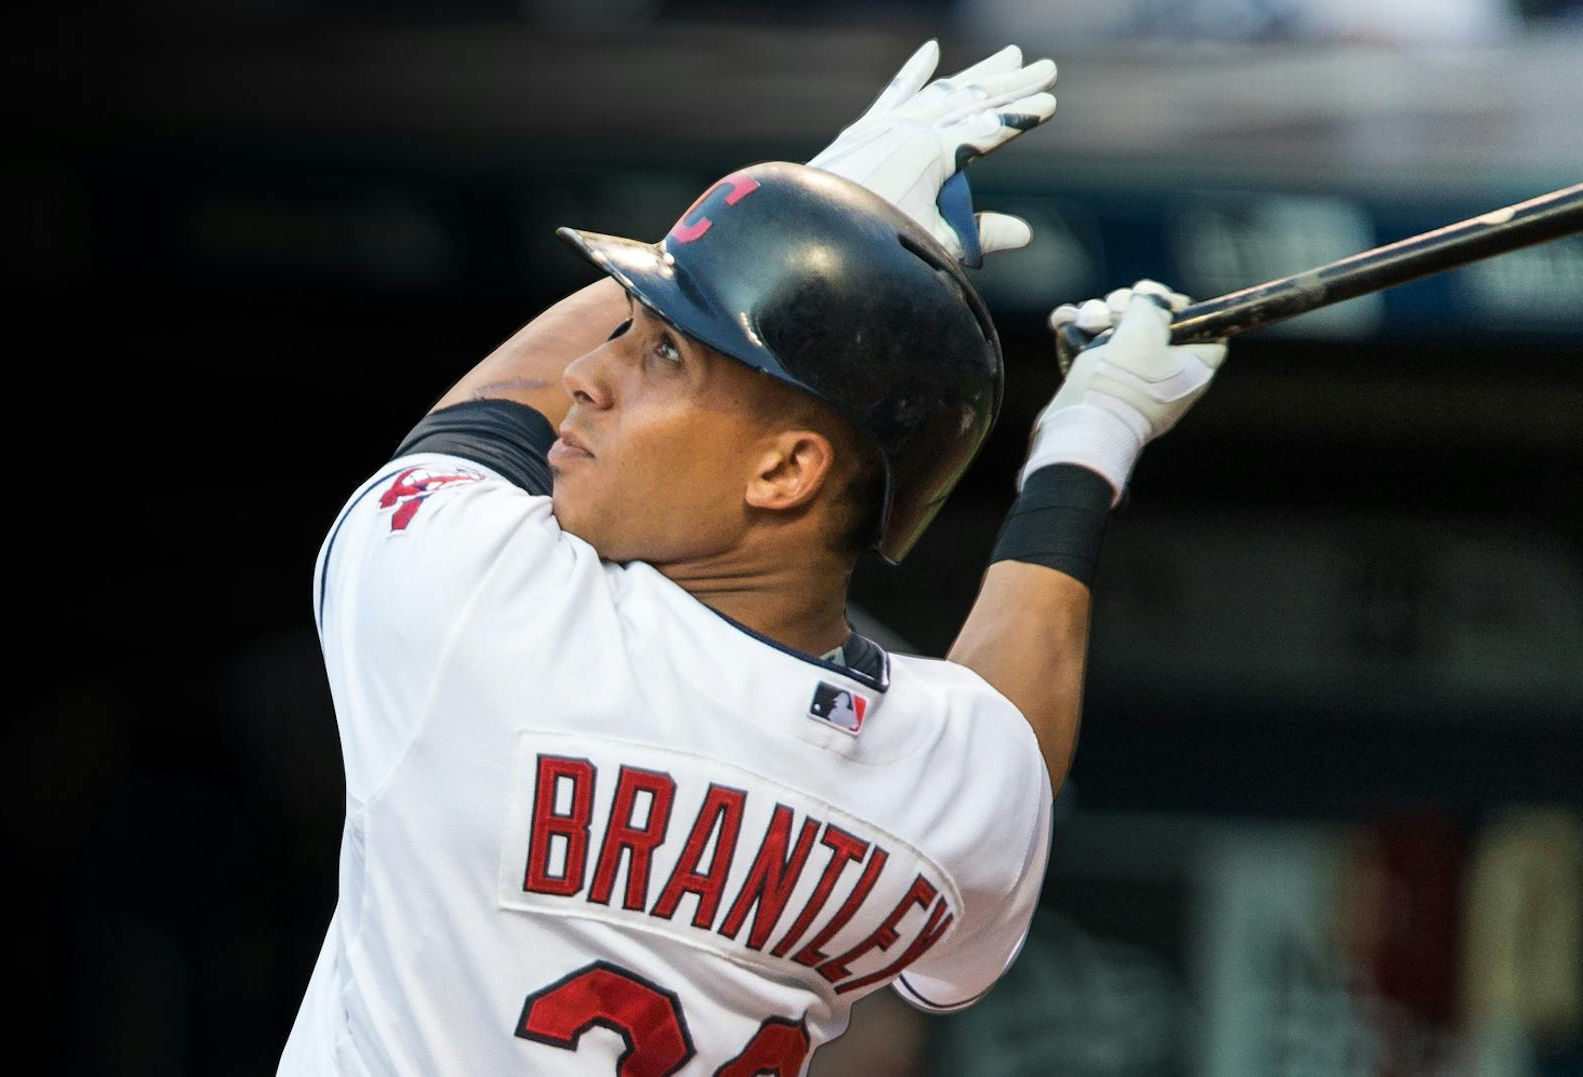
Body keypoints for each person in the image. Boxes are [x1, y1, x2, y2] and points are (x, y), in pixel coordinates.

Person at [280, 41, 1227, 1075]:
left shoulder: (477, 605)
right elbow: (1011, 750)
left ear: (784, 470)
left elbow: (489, 416)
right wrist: (1092, 436)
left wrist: (811, 208)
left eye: (662, 352)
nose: (588, 374)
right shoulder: (946, 787)